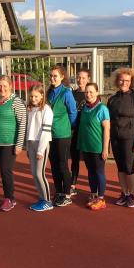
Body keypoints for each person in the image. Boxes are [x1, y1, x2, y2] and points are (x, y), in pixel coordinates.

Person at [107, 67, 134, 208]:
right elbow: (109, 121)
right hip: (116, 137)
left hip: (130, 138)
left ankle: (133, 194)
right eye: (122, 80)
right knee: (120, 167)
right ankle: (125, 193)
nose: (124, 82)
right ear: (117, 81)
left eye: (127, 80)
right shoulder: (112, 99)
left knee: (129, 168)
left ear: (131, 82)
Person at [0, 75, 27, 211]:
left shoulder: (16, 102)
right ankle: (8, 197)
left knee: (6, 170)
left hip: (10, 143)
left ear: (10, 86)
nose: (2, 88)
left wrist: (19, 144)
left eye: (5, 85)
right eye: (0, 85)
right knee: (3, 170)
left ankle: (9, 198)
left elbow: (22, 123)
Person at [46, 65, 78, 208]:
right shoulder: (49, 92)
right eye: (51, 76)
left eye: (55, 76)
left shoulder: (66, 93)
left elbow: (73, 112)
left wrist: (68, 128)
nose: (52, 78)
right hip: (50, 134)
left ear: (62, 77)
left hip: (63, 134)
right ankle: (59, 191)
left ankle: (67, 193)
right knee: (53, 164)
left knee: (63, 164)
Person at [76, 82, 110, 211]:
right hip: (86, 146)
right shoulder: (85, 107)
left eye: (91, 92)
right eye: (86, 92)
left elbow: (107, 129)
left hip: (98, 147)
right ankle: (94, 194)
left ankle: (101, 199)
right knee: (90, 171)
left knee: (99, 172)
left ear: (97, 93)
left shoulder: (102, 109)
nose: (88, 94)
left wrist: (105, 148)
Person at [26, 84, 55, 212]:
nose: (33, 98)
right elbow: (29, 129)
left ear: (42, 95)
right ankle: (41, 197)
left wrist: (40, 150)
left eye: (36, 96)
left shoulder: (47, 109)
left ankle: (47, 201)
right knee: (34, 173)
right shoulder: (30, 109)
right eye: (31, 96)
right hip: (31, 144)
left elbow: (46, 131)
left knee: (40, 173)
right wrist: (27, 147)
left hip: (41, 145)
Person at [69, 68, 91, 197]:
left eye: (83, 78)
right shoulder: (72, 93)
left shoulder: (91, 94)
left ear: (88, 79)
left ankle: (94, 188)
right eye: (79, 77)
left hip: (86, 133)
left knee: (89, 161)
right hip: (74, 131)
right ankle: (72, 185)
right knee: (75, 159)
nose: (80, 80)